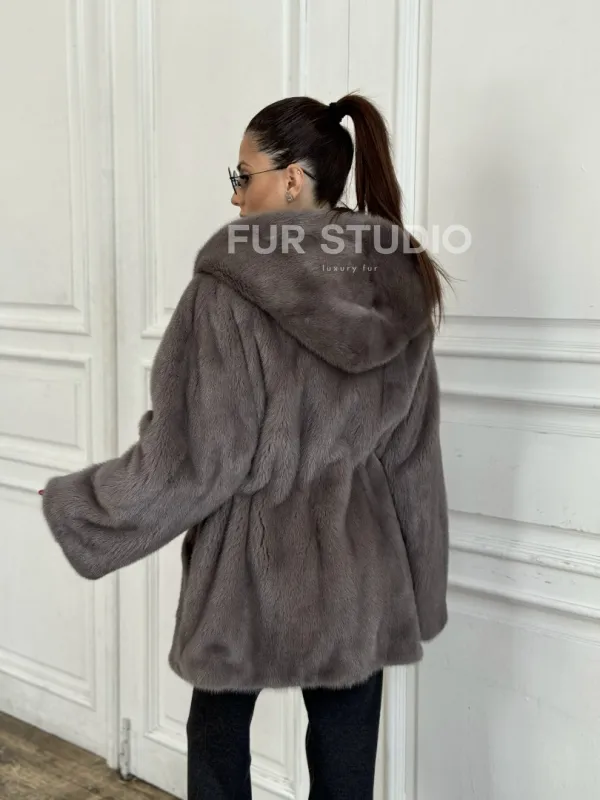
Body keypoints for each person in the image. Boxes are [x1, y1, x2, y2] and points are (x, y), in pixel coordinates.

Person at [41, 92, 450, 800]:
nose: (235, 197)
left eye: (242, 175)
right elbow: (413, 456)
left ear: (291, 179)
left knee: (218, 752)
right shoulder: (395, 284)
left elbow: (194, 460)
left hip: (249, 571)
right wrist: (422, 589)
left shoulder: (226, 293)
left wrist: (82, 507)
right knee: (347, 763)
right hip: (361, 571)